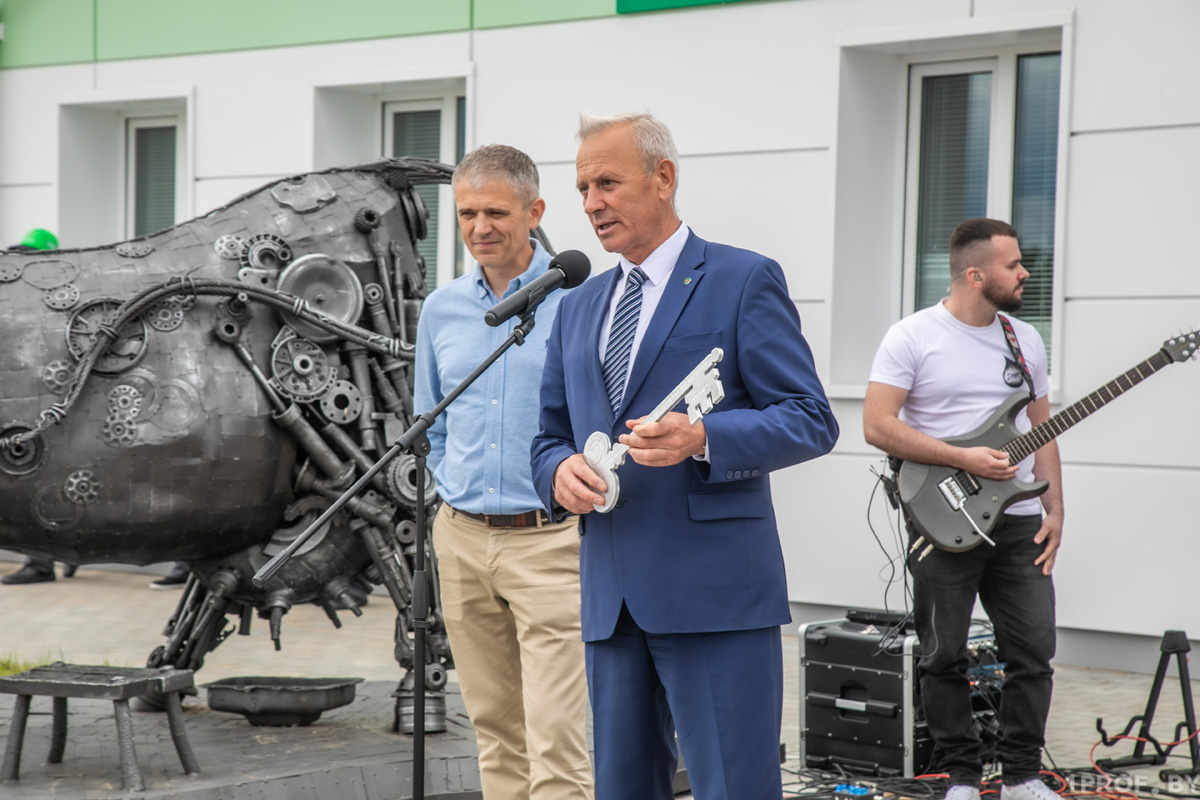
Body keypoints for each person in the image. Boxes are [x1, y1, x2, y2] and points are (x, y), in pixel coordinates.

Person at [530, 111, 839, 800]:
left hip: (716, 595)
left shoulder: (742, 279)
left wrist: (705, 440)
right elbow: (547, 436)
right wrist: (557, 472)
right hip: (611, 600)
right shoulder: (576, 306)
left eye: (607, 182)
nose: (591, 204)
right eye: (582, 187)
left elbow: (812, 418)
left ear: (663, 178)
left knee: (733, 788)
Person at [413, 144, 593, 800]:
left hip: (549, 541)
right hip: (460, 539)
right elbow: (429, 421)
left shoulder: (580, 300)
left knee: (555, 735)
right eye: (467, 213)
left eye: (495, 211)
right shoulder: (441, 308)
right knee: (493, 727)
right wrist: (449, 497)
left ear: (535, 211)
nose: (480, 227)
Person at [862, 218, 1063, 800]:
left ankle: (1023, 774)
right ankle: (963, 776)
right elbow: (877, 425)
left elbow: (1042, 427)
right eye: (1014, 264)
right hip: (943, 513)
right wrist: (962, 457)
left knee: (1033, 650)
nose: (1026, 272)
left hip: (1021, 517)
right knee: (942, 654)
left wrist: (1054, 506)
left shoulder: (1024, 340)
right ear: (976, 275)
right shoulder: (912, 336)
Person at [1, 228, 77, 586]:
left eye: (29, 252)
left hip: (50, 405)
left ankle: (44, 564)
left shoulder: (60, 295)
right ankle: (59, 558)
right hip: (29, 400)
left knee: (44, 481)